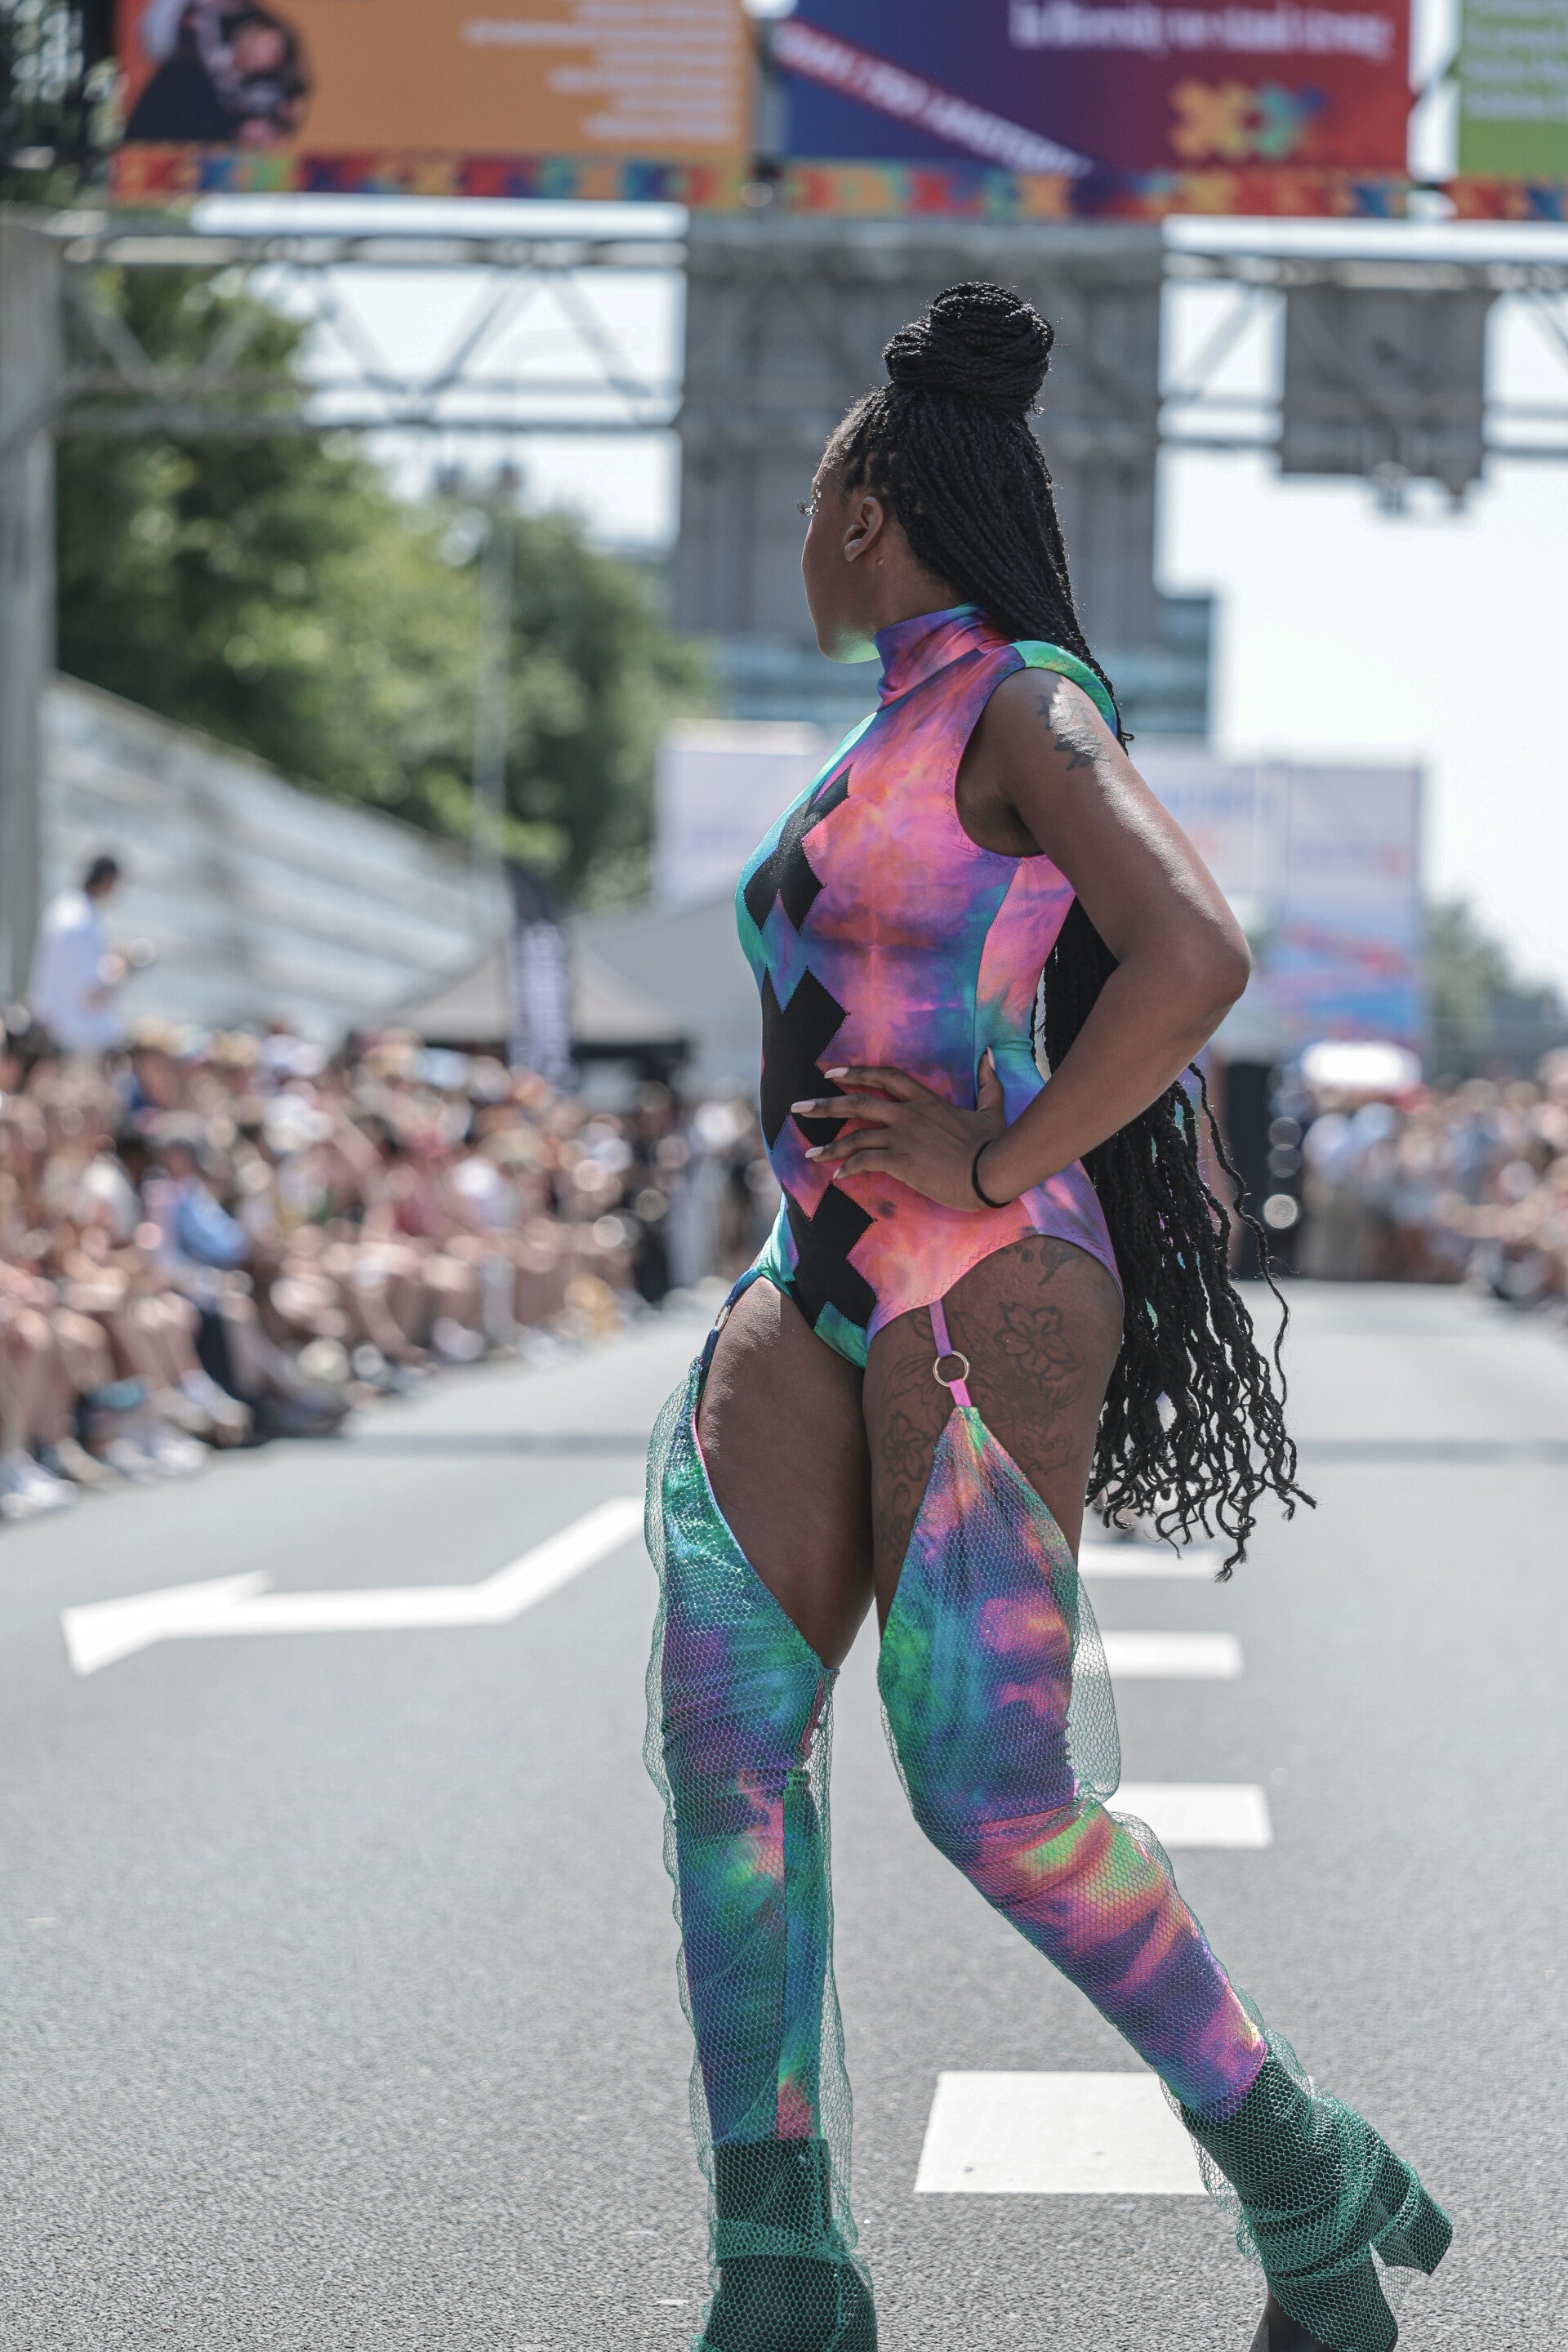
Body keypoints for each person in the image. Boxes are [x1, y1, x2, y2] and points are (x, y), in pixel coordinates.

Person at [643, 286, 1450, 2352]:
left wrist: (1000, 1161)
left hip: (980, 1283)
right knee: (728, 1754)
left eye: (812, 502)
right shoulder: (884, 726)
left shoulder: (1022, 697)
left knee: (989, 1791)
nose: (803, 535)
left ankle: (1300, 2171)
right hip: (808, 1276)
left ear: (863, 507)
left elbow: (1193, 948)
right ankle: (781, 2274)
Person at [28, 855, 127, 1057]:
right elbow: (92, 993)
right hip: (72, 1043)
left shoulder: (64, 907)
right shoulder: (81, 921)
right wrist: (123, 967)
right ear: (108, 881)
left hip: (56, 1033)